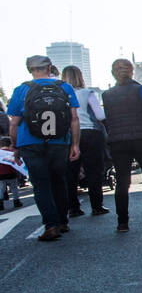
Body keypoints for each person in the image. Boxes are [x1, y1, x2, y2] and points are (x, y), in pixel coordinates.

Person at [6, 55, 79, 241]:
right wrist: (75, 144)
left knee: (40, 185)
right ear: (49, 68)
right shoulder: (65, 87)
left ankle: (51, 225)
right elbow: (73, 119)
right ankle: (63, 221)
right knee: (58, 181)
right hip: (59, 141)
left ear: (30, 70)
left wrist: (15, 146)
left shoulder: (22, 90)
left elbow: (14, 123)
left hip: (30, 143)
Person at [100, 59, 142, 232]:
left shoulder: (107, 95)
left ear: (113, 73)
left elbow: (107, 118)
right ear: (132, 72)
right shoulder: (141, 90)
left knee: (122, 181)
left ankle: (122, 221)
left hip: (118, 141)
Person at [61, 65, 108, 218]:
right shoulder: (87, 93)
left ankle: (73, 207)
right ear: (80, 76)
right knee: (94, 170)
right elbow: (100, 115)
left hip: (69, 134)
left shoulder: (61, 94)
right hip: (90, 133)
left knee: (71, 172)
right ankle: (97, 205)